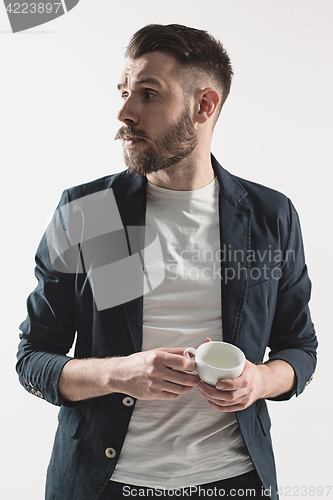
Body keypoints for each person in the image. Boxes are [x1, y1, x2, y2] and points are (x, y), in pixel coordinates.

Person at [16, 24, 317, 500]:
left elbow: (299, 349)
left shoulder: (269, 215)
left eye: (148, 94)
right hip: (104, 485)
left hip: (235, 482)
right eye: (123, 92)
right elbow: (33, 360)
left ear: (204, 106)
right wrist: (121, 373)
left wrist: (258, 380)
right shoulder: (92, 212)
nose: (124, 112)